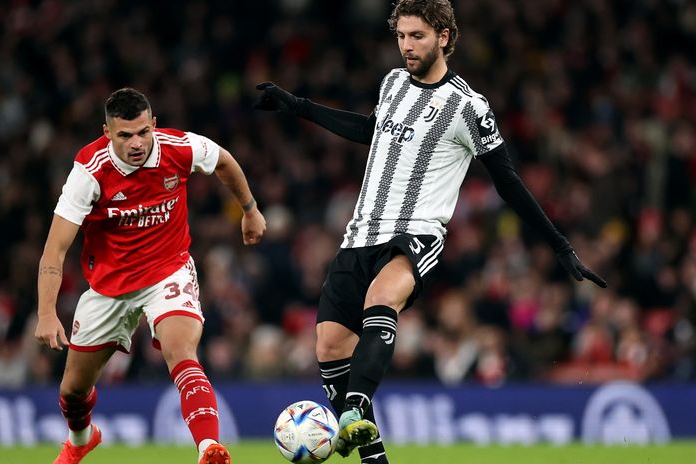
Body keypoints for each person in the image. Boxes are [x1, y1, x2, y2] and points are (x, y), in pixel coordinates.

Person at [254, 0, 606, 462]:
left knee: (382, 299)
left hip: (416, 233)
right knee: (329, 344)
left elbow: (508, 182)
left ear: (444, 36)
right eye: (401, 36)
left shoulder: (468, 107)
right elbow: (372, 131)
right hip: (360, 233)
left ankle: (355, 407)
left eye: (416, 36)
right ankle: (371, 453)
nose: (406, 46)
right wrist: (298, 106)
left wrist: (560, 244)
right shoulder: (393, 83)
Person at [35, 87, 266, 464]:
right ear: (108, 133)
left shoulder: (179, 148)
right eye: (125, 135)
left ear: (154, 125)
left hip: (168, 271)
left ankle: (209, 447)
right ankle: (81, 439)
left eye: (144, 132)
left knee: (182, 352)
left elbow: (224, 161)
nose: (137, 143)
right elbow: (54, 250)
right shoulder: (89, 172)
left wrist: (250, 209)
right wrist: (46, 313)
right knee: (73, 392)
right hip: (109, 287)